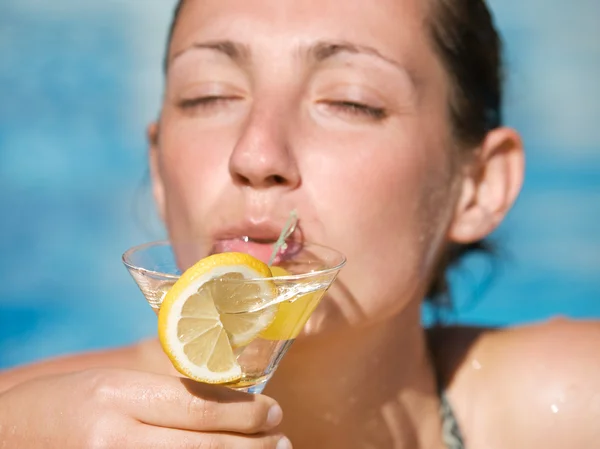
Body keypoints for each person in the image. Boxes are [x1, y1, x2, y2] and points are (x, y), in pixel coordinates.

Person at [1, 0, 598, 447]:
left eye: (351, 101)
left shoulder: (564, 407)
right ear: (158, 168)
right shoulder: (32, 425)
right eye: (208, 96)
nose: (257, 156)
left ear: (479, 186)